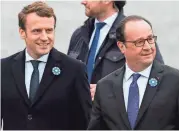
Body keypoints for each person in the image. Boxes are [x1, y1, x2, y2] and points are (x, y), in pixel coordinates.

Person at [1, 1, 92, 130]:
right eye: (37, 31)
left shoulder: (74, 70)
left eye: (49, 30)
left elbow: (85, 122)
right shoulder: (3, 68)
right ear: (22, 32)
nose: (44, 37)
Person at [87, 15, 179, 130]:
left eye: (150, 39)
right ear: (122, 47)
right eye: (139, 42)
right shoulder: (105, 87)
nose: (147, 47)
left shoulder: (174, 81)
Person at [67, 0, 164, 100]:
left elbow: (157, 81)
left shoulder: (134, 34)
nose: (83, 2)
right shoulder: (79, 35)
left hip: (113, 114)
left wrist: (107, 92)